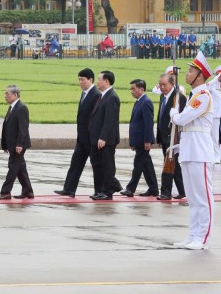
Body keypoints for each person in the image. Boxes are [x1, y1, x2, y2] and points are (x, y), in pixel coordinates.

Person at [169, 52, 218, 249]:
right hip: (189, 150)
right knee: (192, 199)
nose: (187, 74)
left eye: (190, 71)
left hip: (200, 152)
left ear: (200, 76)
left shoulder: (203, 96)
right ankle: (192, 235)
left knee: (203, 198)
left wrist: (173, 112)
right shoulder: (194, 96)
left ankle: (202, 238)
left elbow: (181, 120)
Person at [56, 69, 100, 197]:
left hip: (91, 138)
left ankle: (111, 186)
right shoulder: (84, 93)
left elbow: (95, 118)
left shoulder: (96, 94)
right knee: (75, 163)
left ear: (90, 80)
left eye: (83, 80)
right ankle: (69, 189)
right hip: (81, 137)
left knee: (97, 166)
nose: (80, 82)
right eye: (79, 79)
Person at [88, 71, 122, 200]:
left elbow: (110, 120)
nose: (97, 82)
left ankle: (107, 191)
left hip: (106, 139)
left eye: (99, 79)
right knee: (97, 164)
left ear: (106, 81)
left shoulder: (112, 97)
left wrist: (103, 137)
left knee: (107, 166)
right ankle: (99, 190)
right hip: (97, 138)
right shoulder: (102, 96)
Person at [121, 78, 158, 197]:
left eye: (133, 89)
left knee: (138, 165)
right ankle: (153, 189)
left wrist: (147, 140)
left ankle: (130, 189)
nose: (131, 91)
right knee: (146, 166)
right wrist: (132, 141)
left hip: (143, 141)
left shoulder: (146, 102)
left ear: (141, 89)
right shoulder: (139, 101)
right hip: (139, 140)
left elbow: (148, 123)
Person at [0, 85, 33, 199]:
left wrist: (20, 144)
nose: (5, 96)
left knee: (13, 167)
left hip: (18, 145)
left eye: (7, 94)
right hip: (12, 144)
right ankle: (28, 191)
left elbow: (23, 128)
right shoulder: (12, 107)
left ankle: (5, 192)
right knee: (20, 168)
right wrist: (5, 145)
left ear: (15, 95)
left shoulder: (21, 108)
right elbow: (7, 127)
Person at [156, 72, 185, 201]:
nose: (162, 87)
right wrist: (159, 137)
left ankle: (166, 192)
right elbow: (160, 117)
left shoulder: (179, 98)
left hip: (174, 137)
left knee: (168, 164)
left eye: (164, 85)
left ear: (172, 84)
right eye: (160, 85)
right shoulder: (163, 96)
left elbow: (183, 117)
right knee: (175, 166)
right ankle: (183, 190)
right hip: (164, 137)